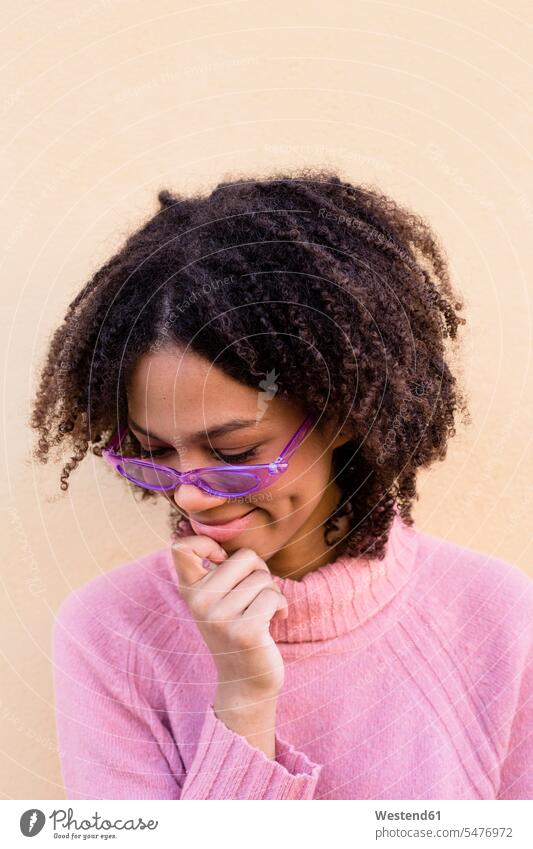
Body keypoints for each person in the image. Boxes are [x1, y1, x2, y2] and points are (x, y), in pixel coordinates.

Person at [31, 169, 533, 800]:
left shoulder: (499, 619)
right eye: (153, 451)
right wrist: (242, 698)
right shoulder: (113, 634)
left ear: (345, 413)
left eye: (235, 450)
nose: (189, 494)